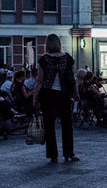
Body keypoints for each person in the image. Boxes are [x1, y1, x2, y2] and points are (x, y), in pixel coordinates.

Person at [32, 33, 80, 163]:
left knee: (50, 126)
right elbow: (73, 77)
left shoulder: (44, 59)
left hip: (48, 95)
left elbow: (40, 81)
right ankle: (69, 153)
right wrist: (76, 92)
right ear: (59, 43)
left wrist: (35, 97)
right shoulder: (68, 58)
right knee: (67, 125)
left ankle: (53, 155)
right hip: (64, 94)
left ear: (47, 44)